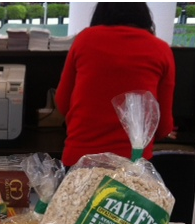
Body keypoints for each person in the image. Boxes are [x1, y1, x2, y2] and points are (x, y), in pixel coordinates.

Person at [54, 3, 177, 167]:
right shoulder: (161, 49)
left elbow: (62, 104)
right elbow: (163, 127)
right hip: (132, 165)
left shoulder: (85, 40)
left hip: (81, 160)